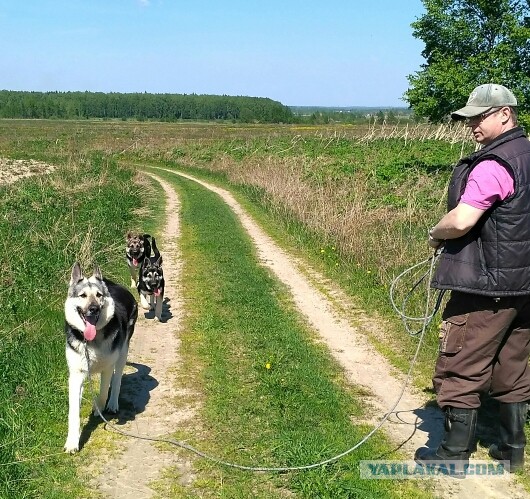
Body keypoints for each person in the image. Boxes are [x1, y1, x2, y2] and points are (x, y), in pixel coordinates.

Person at [414, 83, 530, 475]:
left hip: (487, 285)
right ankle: (510, 450)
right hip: (524, 286)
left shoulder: (495, 164)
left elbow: (462, 219)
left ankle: (451, 456)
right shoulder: (528, 155)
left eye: (479, 117)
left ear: (504, 114)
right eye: (469, 119)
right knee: (513, 366)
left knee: (461, 364)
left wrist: (435, 234)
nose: (472, 126)